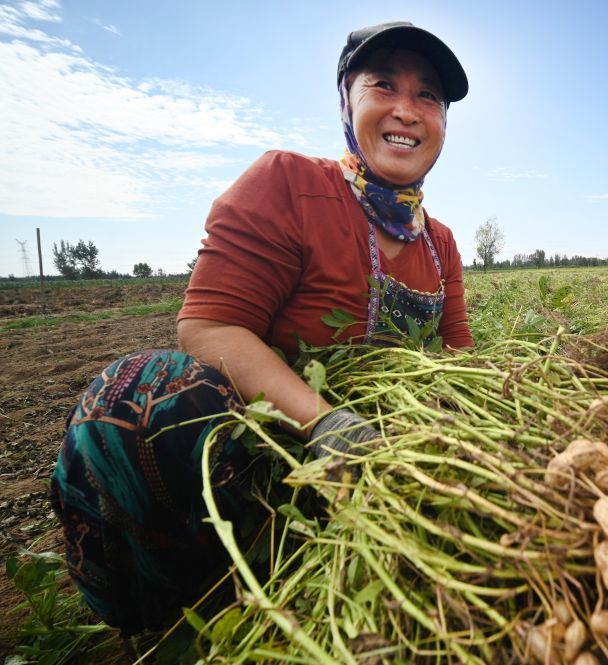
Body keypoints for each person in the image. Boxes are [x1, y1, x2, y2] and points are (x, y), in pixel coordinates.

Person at [49, 21, 473, 636]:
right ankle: (165, 611)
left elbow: (461, 358)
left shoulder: (440, 243)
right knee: (134, 398)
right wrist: (324, 423)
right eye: (384, 85)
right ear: (346, 101)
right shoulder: (290, 184)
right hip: (267, 455)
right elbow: (210, 327)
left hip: (390, 460)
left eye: (428, 95)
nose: (407, 110)